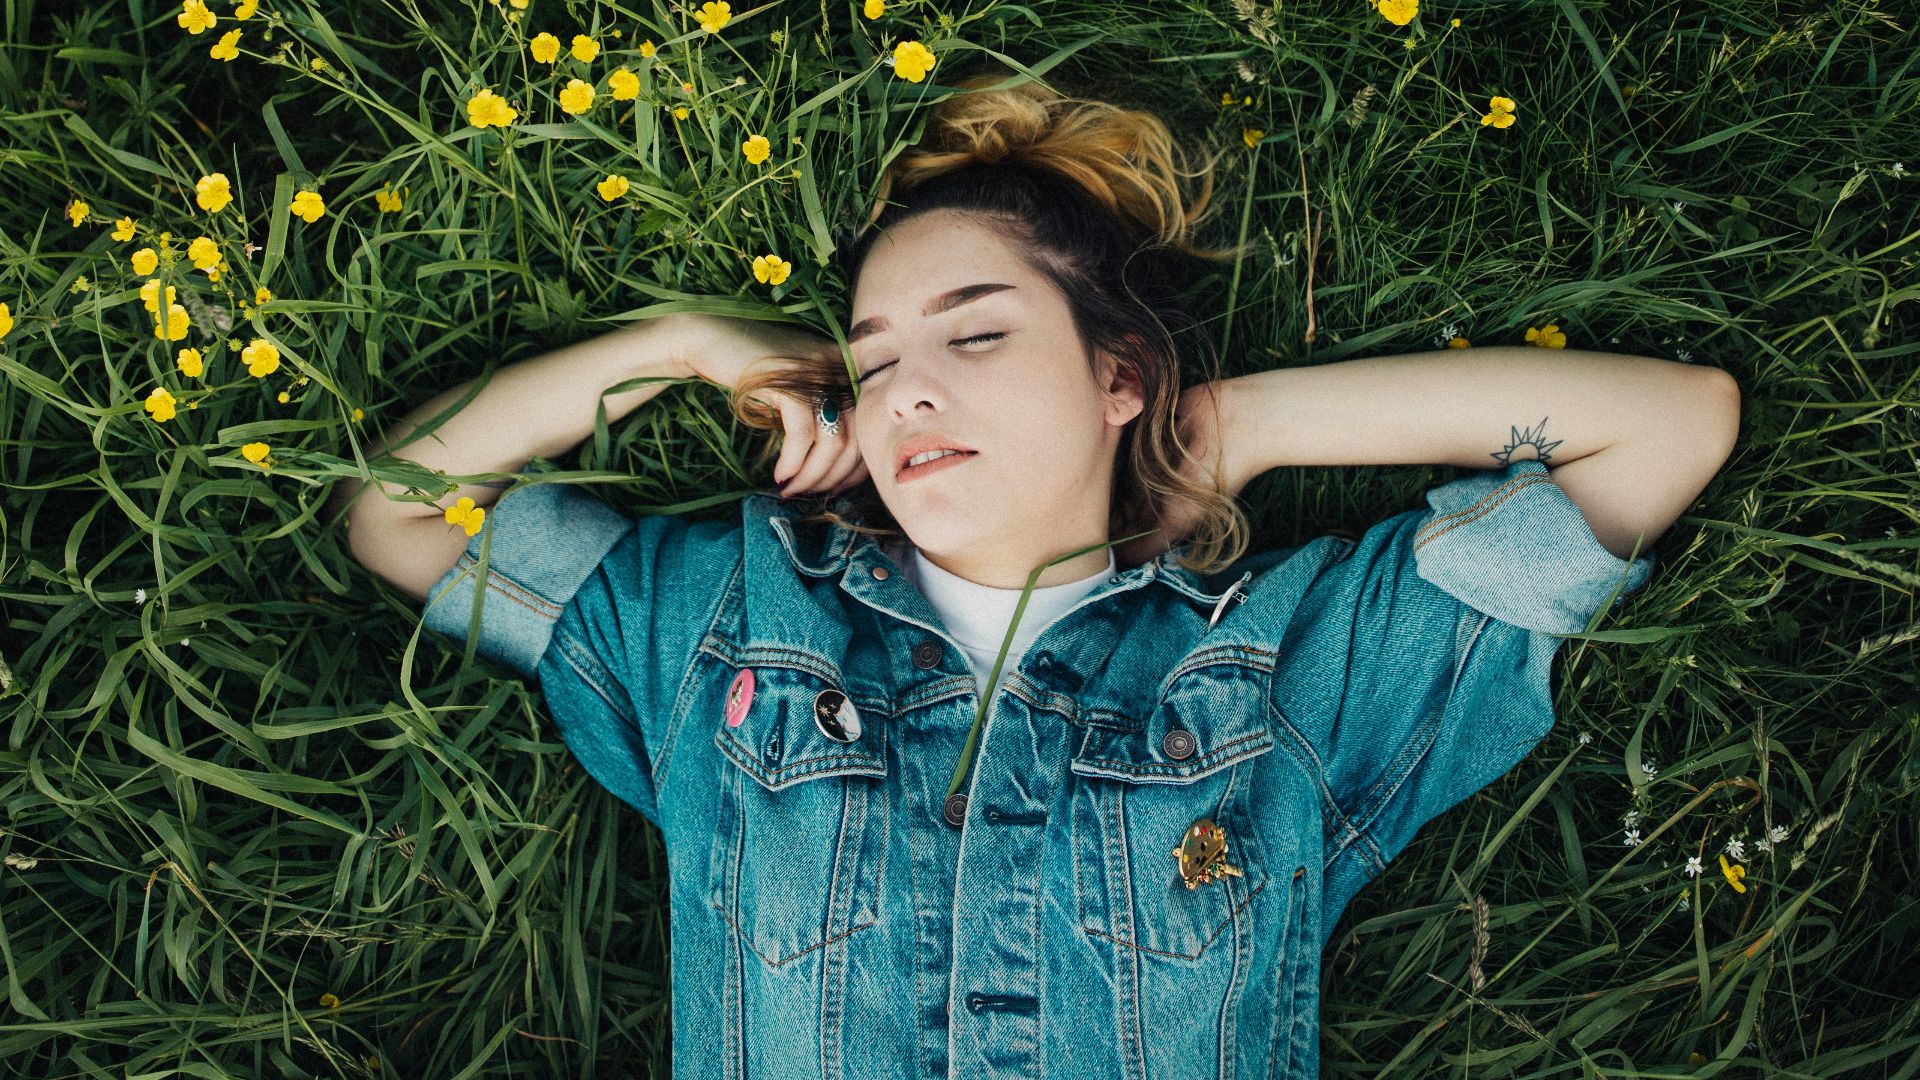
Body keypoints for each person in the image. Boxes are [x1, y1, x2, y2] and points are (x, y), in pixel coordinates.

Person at [332, 67, 1739, 1080]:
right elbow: (401, 516)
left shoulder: (1279, 676)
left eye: (977, 336)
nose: (910, 394)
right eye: (874, 359)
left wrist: (1236, 425)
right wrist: (693, 348)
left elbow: (1672, 422)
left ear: (1118, 373)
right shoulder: (723, 624)